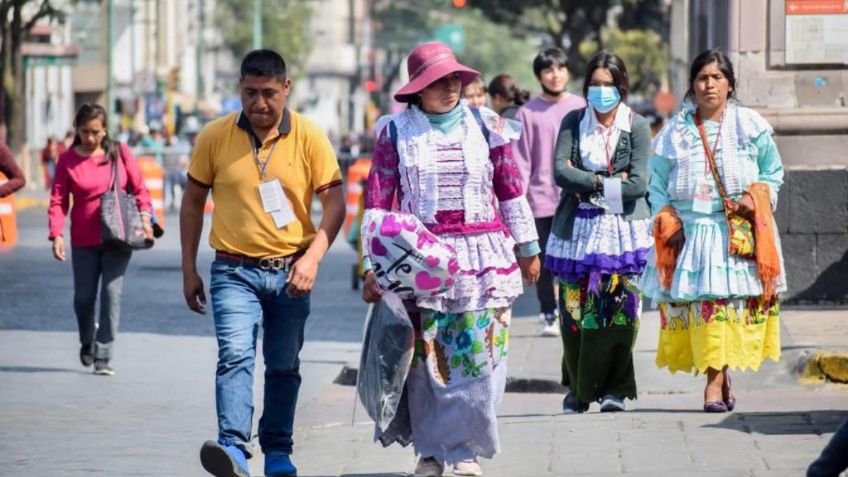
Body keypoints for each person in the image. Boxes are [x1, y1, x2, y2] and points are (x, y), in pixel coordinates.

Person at [361, 41, 540, 477]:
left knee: (479, 357)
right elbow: (378, 202)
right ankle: (428, 451)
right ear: (416, 90)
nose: (448, 88)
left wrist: (529, 246)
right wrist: (372, 265)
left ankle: (465, 451)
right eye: (436, 82)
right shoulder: (395, 132)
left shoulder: (488, 126)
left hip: (484, 259)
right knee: (426, 360)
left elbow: (510, 188)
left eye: (453, 79)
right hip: (420, 263)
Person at [180, 49, 345, 477]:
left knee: (284, 364)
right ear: (239, 88)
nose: (259, 103)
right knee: (235, 355)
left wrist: (312, 259)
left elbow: (335, 204)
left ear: (286, 88)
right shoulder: (215, 136)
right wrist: (188, 268)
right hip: (233, 270)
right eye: (250, 93)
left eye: (269, 93)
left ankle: (277, 451)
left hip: (293, 271)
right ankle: (233, 448)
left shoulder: (310, 136)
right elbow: (193, 202)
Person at [638, 48, 786, 412]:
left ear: (730, 84)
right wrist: (666, 217)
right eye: (702, 77)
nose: (709, 84)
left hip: (736, 232)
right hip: (691, 234)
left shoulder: (750, 125)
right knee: (706, 306)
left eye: (717, 77)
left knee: (726, 306)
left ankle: (716, 380)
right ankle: (714, 380)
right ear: (692, 85)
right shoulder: (673, 131)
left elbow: (773, 173)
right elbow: (655, 184)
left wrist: (756, 197)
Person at [544, 51, 653, 413]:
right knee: (574, 310)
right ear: (586, 86)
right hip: (577, 230)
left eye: (609, 84)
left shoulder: (636, 125)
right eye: (595, 84)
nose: (602, 91)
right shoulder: (573, 122)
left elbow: (638, 184)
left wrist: (587, 183)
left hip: (622, 233)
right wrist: (605, 181)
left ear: (621, 87)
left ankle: (615, 390)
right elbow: (560, 171)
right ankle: (579, 389)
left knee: (618, 309)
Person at [47, 103, 154, 376]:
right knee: (83, 298)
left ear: (105, 129)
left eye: (96, 131)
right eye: (85, 131)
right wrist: (56, 233)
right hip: (83, 239)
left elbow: (140, 188)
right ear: (77, 130)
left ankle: (104, 354)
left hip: (119, 236)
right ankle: (87, 340)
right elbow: (58, 200)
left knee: (111, 294)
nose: (91, 137)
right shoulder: (68, 160)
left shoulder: (119, 153)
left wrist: (145, 217)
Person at [513, 47, 586, 337]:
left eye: (559, 68)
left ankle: (576, 309)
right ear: (539, 76)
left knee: (575, 258)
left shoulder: (582, 106)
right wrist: (519, 203)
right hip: (539, 200)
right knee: (542, 263)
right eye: (547, 70)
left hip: (576, 198)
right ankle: (548, 313)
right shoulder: (527, 113)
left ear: (567, 71)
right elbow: (520, 161)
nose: (555, 75)